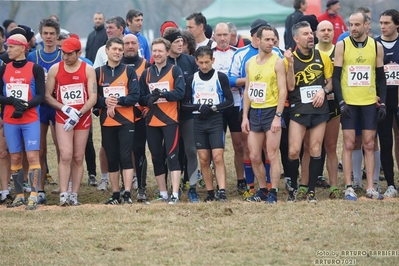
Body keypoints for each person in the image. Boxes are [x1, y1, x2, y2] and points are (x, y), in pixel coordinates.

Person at [333, 11, 387, 201]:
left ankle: (371, 187)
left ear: (366, 25)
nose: (353, 28)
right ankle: (349, 186)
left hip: (368, 103)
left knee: (369, 144)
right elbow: (335, 76)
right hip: (349, 103)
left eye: (357, 25)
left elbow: (381, 77)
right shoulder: (342, 45)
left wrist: (383, 104)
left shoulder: (376, 46)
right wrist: (341, 101)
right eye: (350, 25)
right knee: (348, 144)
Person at [284, 21, 333, 203]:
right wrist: (289, 63)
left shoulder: (323, 57)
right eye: (305, 34)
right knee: (294, 150)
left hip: (319, 109)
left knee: (314, 148)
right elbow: (290, 86)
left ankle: (311, 190)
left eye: (311, 33)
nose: (310, 36)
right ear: (296, 38)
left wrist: (324, 91)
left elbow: (330, 81)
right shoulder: (289, 58)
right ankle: (293, 188)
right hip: (298, 109)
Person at [45, 37, 97, 206]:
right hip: (63, 117)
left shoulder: (88, 70)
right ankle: (63, 194)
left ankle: (74, 194)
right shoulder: (55, 69)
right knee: (65, 155)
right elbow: (47, 95)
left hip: (82, 118)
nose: (65, 57)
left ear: (79, 53)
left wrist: (79, 113)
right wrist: (65, 109)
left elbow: (93, 96)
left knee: (77, 157)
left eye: (69, 54)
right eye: (63, 54)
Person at [241, 26, 287, 203]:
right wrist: (245, 116)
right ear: (258, 40)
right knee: (253, 155)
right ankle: (262, 190)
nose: (270, 43)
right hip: (255, 112)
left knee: (272, 153)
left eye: (273, 40)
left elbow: (283, 91)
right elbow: (247, 91)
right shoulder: (250, 62)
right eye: (267, 39)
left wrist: (278, 116)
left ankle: (273, 191)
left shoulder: (278, 61)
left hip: (271, 110)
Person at [182, 45, 233, 202]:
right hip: (198, 121)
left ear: (213, 60)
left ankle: (222, 191)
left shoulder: (220, 77)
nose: (204, 66)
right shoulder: (192, 79)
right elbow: (185, 103)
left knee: (217, 157)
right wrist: (199, 107)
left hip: (215, 120)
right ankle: (210, 192)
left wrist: (214, 108)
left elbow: (230, 101)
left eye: (207, 62)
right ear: (196, 61)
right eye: (201, 62)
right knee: (203, 159)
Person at [0, 34, 45, 210]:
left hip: (30, 119)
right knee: (15, 156)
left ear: (22, 47)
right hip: (11, 119)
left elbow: (41, 96)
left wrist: (26, 105)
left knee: (32, 156)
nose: (8, 50)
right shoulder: (4, 69)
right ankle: (19, 195)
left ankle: (33, 194)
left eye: (11, 46)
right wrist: (11, 101)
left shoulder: (35, 69)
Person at [139, 38, 185, 204]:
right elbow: (140, 97)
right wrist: (149, 98)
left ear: (167, 52)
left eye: (160, 51)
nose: (157, 54)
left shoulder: (175, 70)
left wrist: (163, 94)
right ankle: (163, 193)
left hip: (170, 120)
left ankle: (175, 194)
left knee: (172, 156)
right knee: (156, 157)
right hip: (152, 121)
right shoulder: (147, 73)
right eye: (154, 51)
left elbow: (180, 92)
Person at [95, 37, 140, 205]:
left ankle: (127, 193)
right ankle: (115, 194)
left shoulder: (129, 71)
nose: (117, 52)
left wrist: (116, 101)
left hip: (127, 120)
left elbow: (134, 96)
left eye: (120, 50)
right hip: (107, 121)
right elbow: (93, 98)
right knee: (112, 158)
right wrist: (104, 102)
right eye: (114, 49)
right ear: (106, 51)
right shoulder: (98, 72)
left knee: (126, 156)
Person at [27, 18, 62, 204]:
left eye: (52, 34)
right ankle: (39, 188)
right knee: (39, 149)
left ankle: (64, 185)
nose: (48, 37)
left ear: (57, 36)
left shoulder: (64, 55)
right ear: (41, 35)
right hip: (39, 108)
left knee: (61, 147)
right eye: (45, 33)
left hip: (57, 106)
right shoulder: (33, 57)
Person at [163, 28, 199, 203]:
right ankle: (173, 186)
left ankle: (192, 187)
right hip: (169, 114)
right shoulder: (163, 62)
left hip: (188, 113)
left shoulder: (190, 61)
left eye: (181, 41)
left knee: (191, 150)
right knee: (171, 152)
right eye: (176, 42)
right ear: (168, 45)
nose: (181, 44)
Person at [211, 22, 246, 194]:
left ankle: (241, 179)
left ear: (231, 35)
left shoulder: (237, 53)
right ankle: (220, 183)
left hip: (236, 104)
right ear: (214, 36)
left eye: (226, 35)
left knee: (239, 146)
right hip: (216, 107)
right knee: (217, 147)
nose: (223, 38)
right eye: (219, 35)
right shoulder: (209, 55)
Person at [121, 33, 151, 202]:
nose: (130, 46)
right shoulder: (116, 65)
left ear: (139, 45)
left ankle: (141, 187)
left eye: (134, 43)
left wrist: (147, 106)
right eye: (127, 43)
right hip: (121, 116)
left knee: (139, 151)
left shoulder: (146, 65)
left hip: (141, 116)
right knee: (123, 153)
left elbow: (151, 87)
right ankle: (123, 187)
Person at [375, 9, 399, 198]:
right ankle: (390, 184)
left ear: (396, 25)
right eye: (381, 23)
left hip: (398, 97)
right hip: (381, 100)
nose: (383, 26)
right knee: (385, 141)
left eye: (387, 23)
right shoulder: (374, 44)